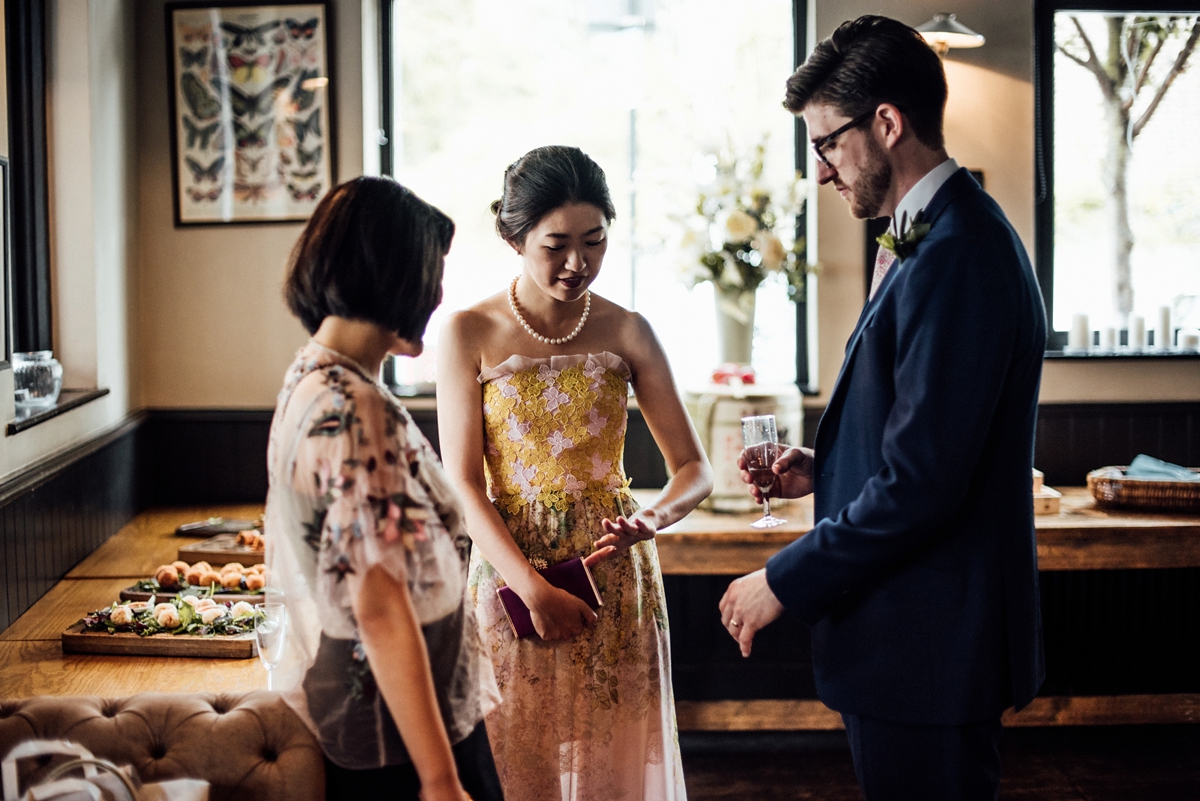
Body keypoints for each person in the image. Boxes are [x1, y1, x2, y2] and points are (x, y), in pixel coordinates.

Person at [718, 16, 1046, 800]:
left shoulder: (959, 253)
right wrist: (823, 468)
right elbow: (921, 440)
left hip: (930, 645)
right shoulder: (924, 240)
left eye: (827, 142)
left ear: (887, 123)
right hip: (907, 642)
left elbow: (924, 483)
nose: (823, 171)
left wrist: (782, 580)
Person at [437, 145, 712, 800]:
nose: (576, 264)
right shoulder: (467, 331)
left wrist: (650, 518)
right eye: (555, 245)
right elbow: (464, 485)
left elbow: (695, 468)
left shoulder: (630, 331)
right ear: (514, 237)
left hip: (611, 572)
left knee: (610, 758)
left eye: (594, 242)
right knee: (513, 758)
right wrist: (531, 589)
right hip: (510, 574)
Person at [265, 176, 504, 801]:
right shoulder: (353, 409)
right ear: (394, 276)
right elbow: (379, 603)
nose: (436, 294)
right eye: (431, 274)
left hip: (368, 699)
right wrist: (440, 779)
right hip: (393, 722)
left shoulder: (310, 375)